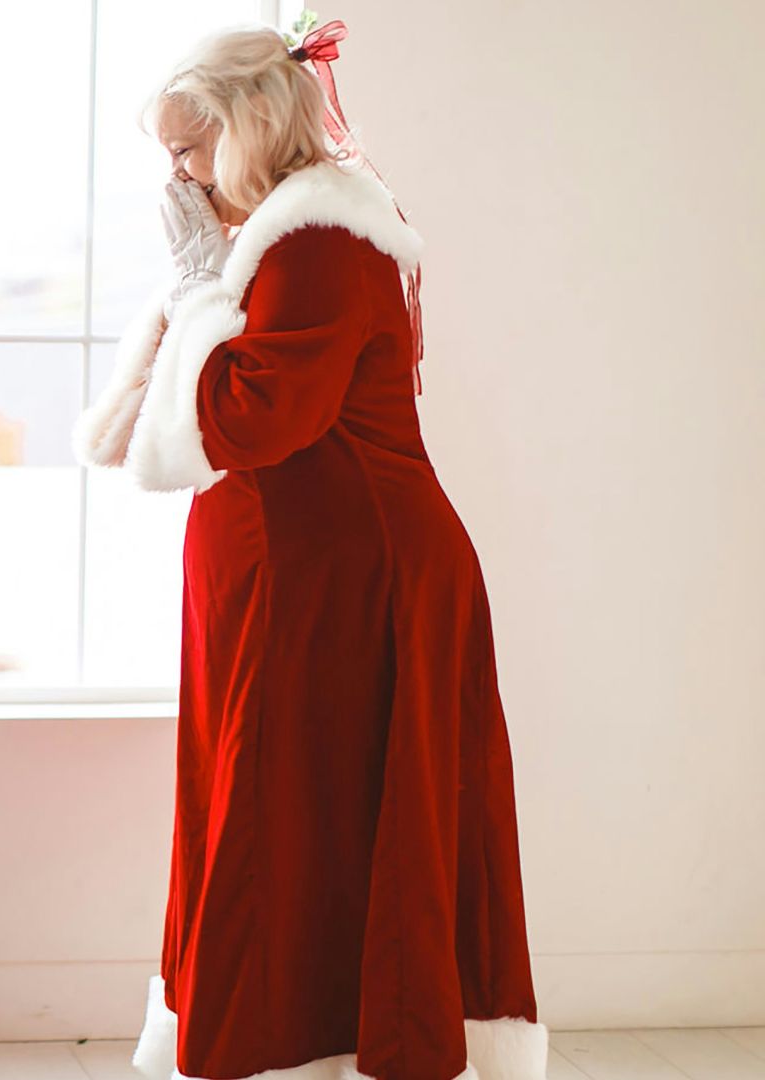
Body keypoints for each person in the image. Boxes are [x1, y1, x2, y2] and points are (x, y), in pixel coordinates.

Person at [73, 24, 545, 1080]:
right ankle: (284, 1035)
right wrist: (201, 284)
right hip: (303, 575)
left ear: (249, 131)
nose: (179, 175)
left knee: (302, 811)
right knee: (282, 809)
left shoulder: (320, 240)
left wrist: (199, 288)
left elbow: (249, 419)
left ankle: (309, 1043)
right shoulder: (281, 238)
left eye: (191, 149)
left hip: (349, 583)